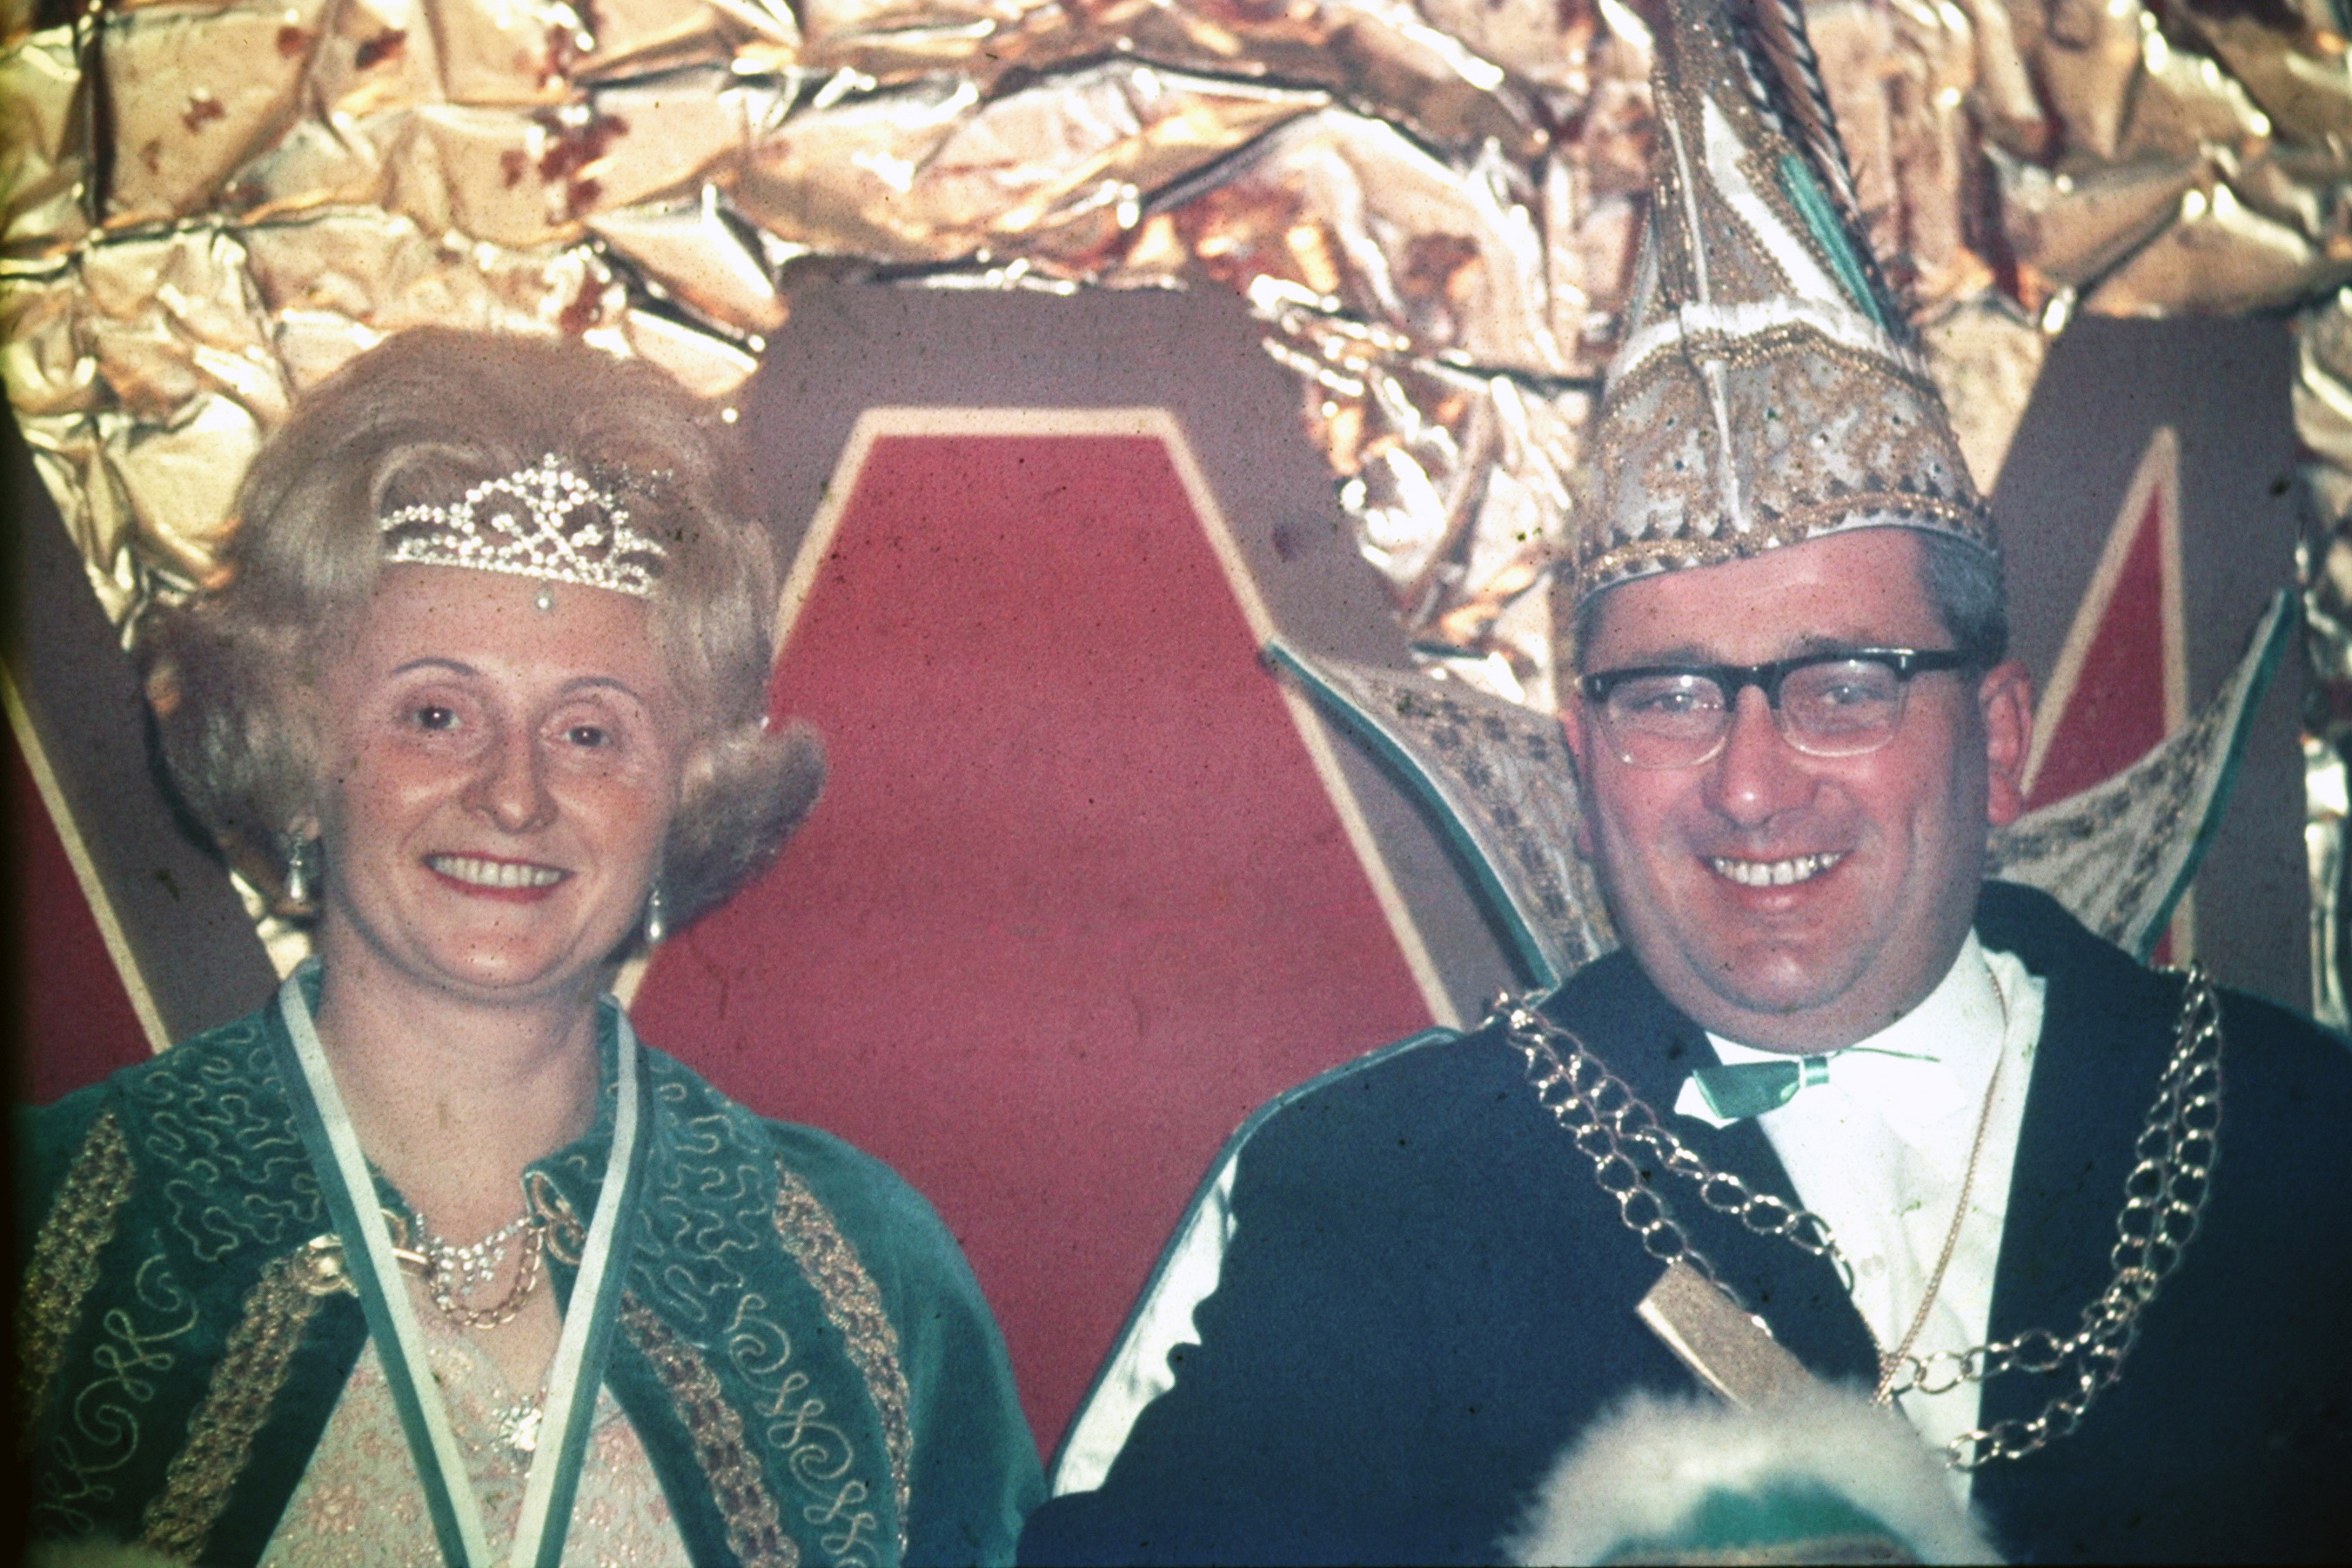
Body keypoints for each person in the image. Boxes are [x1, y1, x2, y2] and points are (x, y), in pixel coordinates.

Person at [1016, 1, 2352, 1562]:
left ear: (1996, 738)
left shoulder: (2300, 1142)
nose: (1751, 785)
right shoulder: (1381, 1188)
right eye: (1669, 697)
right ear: (1585, 758)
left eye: (1843, 687)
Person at [17, 329, 1043, 1566]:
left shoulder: (863, 1273)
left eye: (591, 733)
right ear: (298, 754)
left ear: (686, 793)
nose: (513, 795)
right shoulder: (52, 1227)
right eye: (435, 714)